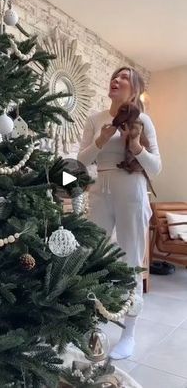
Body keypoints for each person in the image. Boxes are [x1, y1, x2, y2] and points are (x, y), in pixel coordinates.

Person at [78, 66, 161, 360]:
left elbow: (156, 167)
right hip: (100, 189)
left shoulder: (144, 120)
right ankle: (92, 324)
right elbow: (80, 161)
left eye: (124, 77)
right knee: (93, 256)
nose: (117, 79)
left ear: (134, 89)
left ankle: (129, 334)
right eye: (115, 76)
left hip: (132, 192)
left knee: (130, 261)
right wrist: (102, 139)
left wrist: (136, 145)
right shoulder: (95, 118)